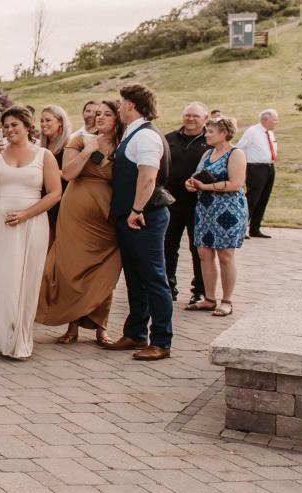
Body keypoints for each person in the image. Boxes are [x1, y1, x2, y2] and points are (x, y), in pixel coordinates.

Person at [0, 107, 61, 359]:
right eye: (6, 126)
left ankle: (16, 334)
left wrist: (27, 214)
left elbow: (55, 193)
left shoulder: (45, 156)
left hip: (31, 223)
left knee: (23, 279)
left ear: (28, 127)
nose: (9, 130)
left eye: (15, 125)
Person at [36, 100, 122, 346]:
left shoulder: (123, 146)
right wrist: (88, 150)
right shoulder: (79, 140)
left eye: (106, 114)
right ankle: (72, 325)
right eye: (97, 114)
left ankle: (101, 328)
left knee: (105, 270)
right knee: (72, 269)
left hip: (106, 216)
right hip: (75, 213)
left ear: (118, 118)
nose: (100, 117)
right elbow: (68, 173)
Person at [102, 83, 174, 361]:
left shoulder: (146, 137)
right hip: (131, 215)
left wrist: (136, 209)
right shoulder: (132, 133)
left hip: (144, 216)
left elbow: (147, 177)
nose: (119, 108)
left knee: (154, 278)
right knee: (135, 278)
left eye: (121, 103)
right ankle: (135, 333)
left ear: (131, 105)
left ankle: (161, 341)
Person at [186, 115, 248, 317]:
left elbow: (235, 183)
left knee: (225, 256)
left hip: (228, 210)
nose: (206, 135)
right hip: (205, 210)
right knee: (204, 254)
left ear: (224, 133)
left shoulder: (235, 154)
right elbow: (196, 176)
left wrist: (205, 186)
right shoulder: (207, 154)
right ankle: (209, 298)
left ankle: (227, 301)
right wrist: (191, 183)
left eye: (211, 131)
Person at [164, 102, 210, 305]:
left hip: (199, 204)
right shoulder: (169, 139)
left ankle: (199, 290)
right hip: (171, 202)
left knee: (198, 248)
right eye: (187, 115)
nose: (190, 119)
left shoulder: (210, 140)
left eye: (196, 116)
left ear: (205, 118)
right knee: (168, 246)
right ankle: (168, 286)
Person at [238, 109, 279, 238]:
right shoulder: (252, 131)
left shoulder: (270, 133)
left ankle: (255, 228)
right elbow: (240, 147)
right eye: (274, 120)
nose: (276, 122)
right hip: (255, 168)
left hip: (269, 167)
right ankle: (241, 229)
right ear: (265, 119)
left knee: (263, 198)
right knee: (252, 199)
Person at [38, 105, 72, 240]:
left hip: (61, 197)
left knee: (52, 236)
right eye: (41, 121)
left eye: (48, 120)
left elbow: (71, 174)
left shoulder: (69, 144)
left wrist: (53, 172)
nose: (43, 124)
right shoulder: (42, 146)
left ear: (60, 122)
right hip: (42, 194)